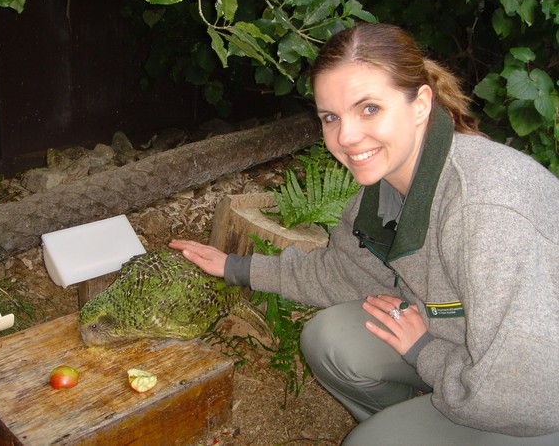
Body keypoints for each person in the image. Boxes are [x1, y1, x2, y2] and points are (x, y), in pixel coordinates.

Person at [170, 23, 559, 445]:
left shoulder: (483, 211)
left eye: (369, 108)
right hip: (463, 358)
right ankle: (428, 418)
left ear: (420, 105)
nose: (347, 137)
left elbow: (527, 394)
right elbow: (342, 274)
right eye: (331, 117)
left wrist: (424, 353)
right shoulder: (385, 186)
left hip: (536, 403)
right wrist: (235, 267)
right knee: (330, 339)